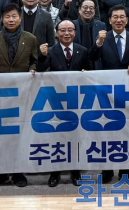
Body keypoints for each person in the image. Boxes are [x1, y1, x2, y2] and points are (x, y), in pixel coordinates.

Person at [0, 4, 38, 188]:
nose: (11, 20)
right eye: (7, 17)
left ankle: (18, 171)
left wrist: (33, 69)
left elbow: (35, 61)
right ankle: (0, 172)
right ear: (2, 19)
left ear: (20, 18)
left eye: (14, 16)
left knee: (19, 134)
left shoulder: (30, 38)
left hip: (22, 94)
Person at [90, 5, 129, 183]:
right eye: (115, 17)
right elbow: (91, 58)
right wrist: (98, 44)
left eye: (122, 17)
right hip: (106, 92)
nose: (119, 20)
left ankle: (125, 169)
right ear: (109, 20)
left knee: (127, 131)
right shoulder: (102, 38)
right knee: (106, 131)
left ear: (127, 20)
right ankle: (107, 169)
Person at [37, 20, 92, 187]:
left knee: (76, 137)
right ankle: (55, 172)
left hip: (77, 102)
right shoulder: (49, 51)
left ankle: (75, 172)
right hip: (56, 102)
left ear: (75, 32)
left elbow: (90, 72)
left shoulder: (83, 50)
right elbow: (40, 70)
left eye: (70, 30)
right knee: (56, 138)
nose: (66, 33)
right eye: (62, 30)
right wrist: (42, 56)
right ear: (56, 33)